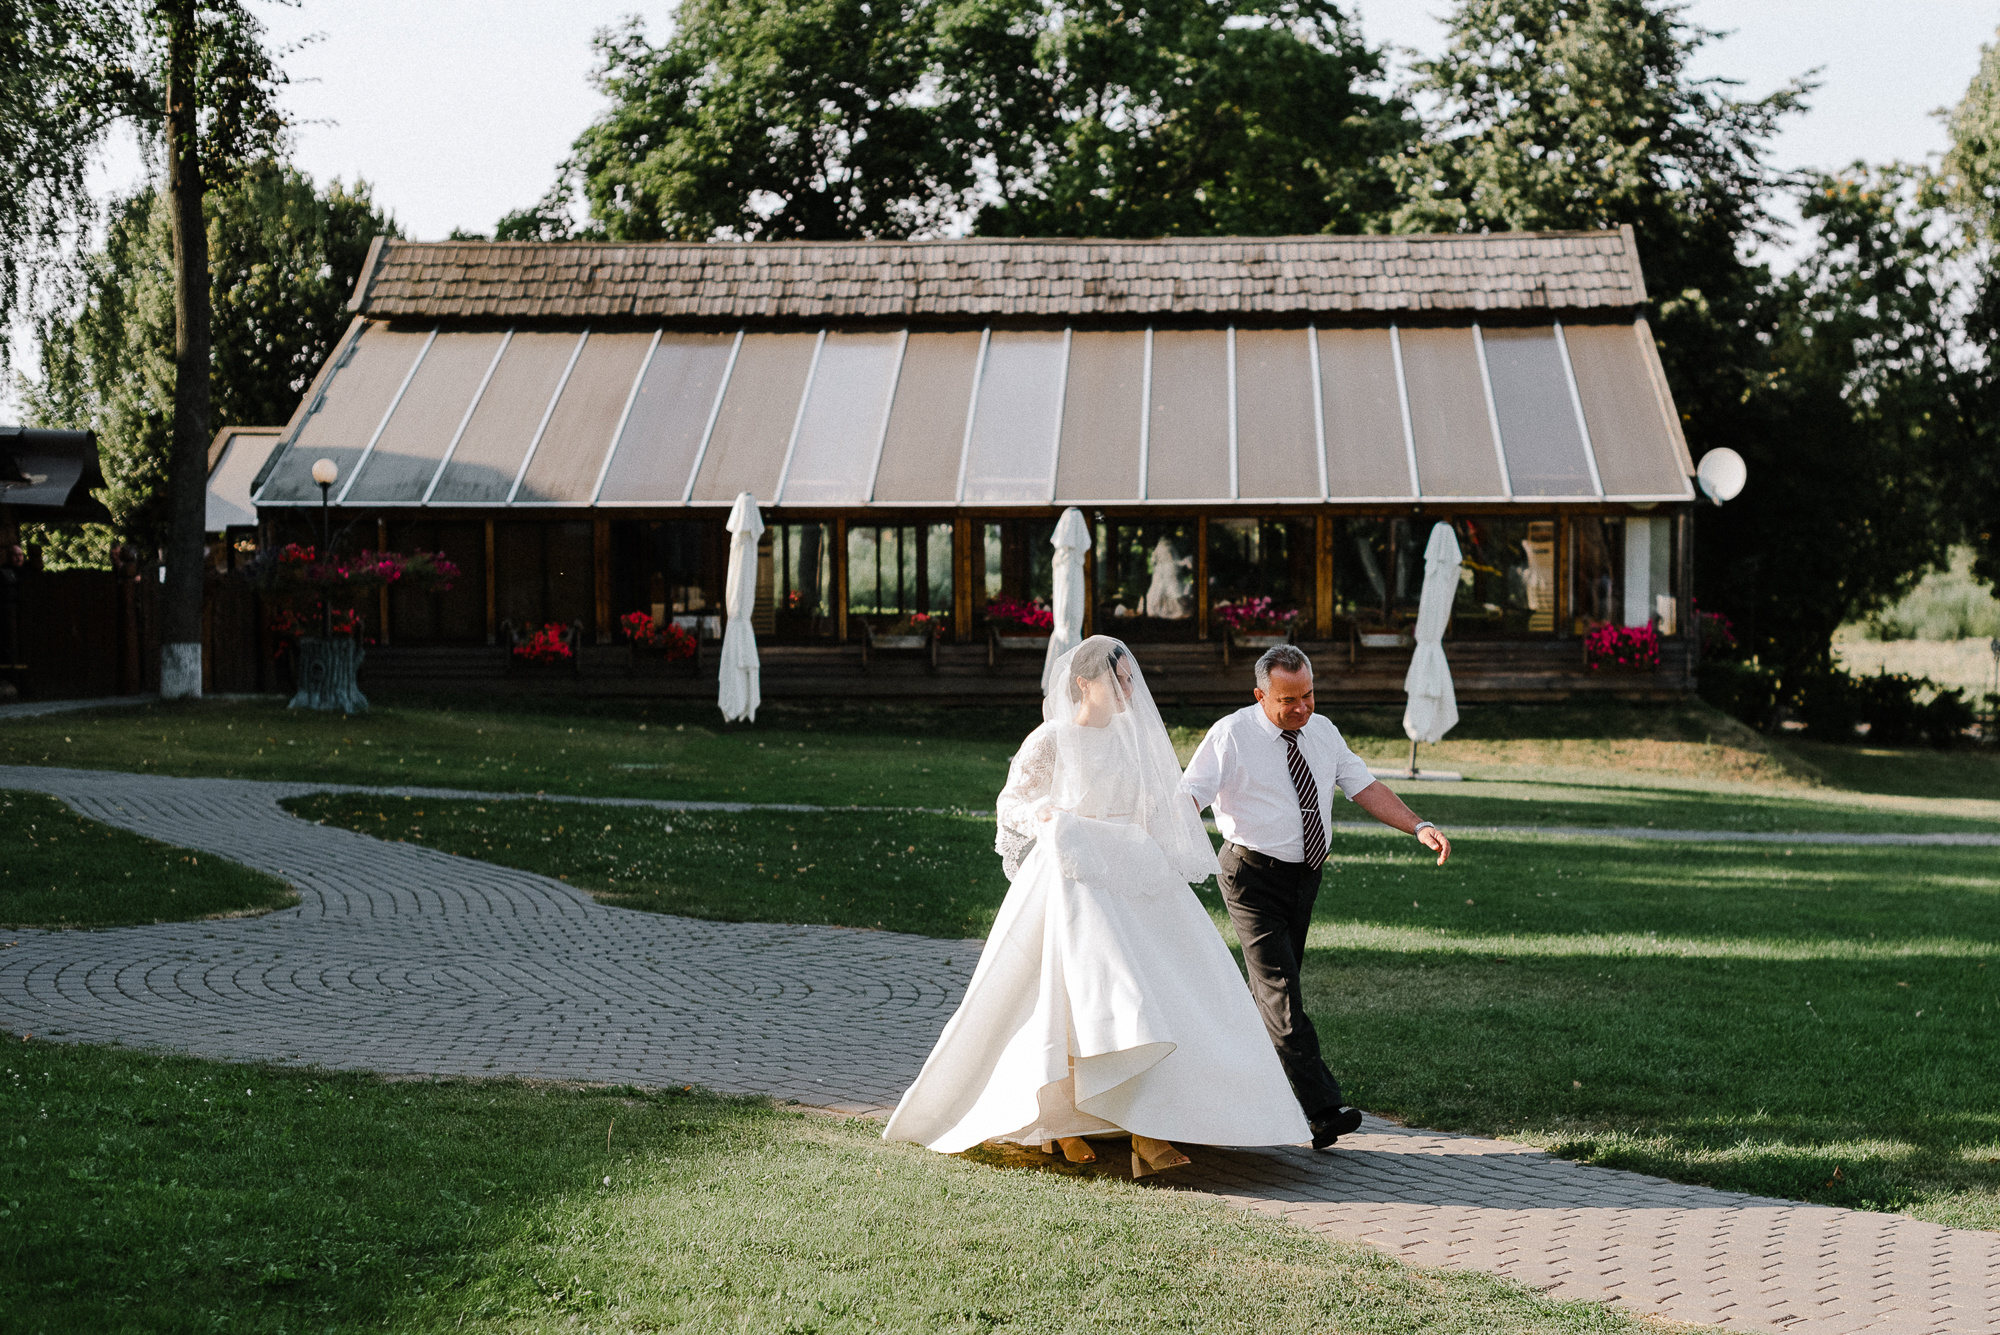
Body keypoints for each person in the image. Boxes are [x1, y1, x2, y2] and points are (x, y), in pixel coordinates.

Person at [885, 636, 1308, 1176]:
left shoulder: (1133, 741)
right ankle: (1068, 1122)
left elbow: (1155, 808)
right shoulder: (1052, 738)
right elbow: (1011, 802)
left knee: (1163, 993)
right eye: (1117, 680)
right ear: (1084, 684)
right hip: (1072, 881)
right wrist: (1045, 815)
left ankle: (1150, 1120)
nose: (1129, 690)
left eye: (1131, 679)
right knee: (1082, 998)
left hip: (1130, 875)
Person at [1182, 644, 1451, 1151]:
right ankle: (1324, 1110)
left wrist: (1419, 826)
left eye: (1308, 694)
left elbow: (1364, 786)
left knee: (1268, 997)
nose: (1301, 707)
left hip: (1304, 878)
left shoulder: (1323, 731)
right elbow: (1189, 796)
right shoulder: (1231, 735)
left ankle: (1228, 1095)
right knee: (1282, 993)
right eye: (1288, 700)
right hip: (1250, 878)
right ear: (1260, 695)